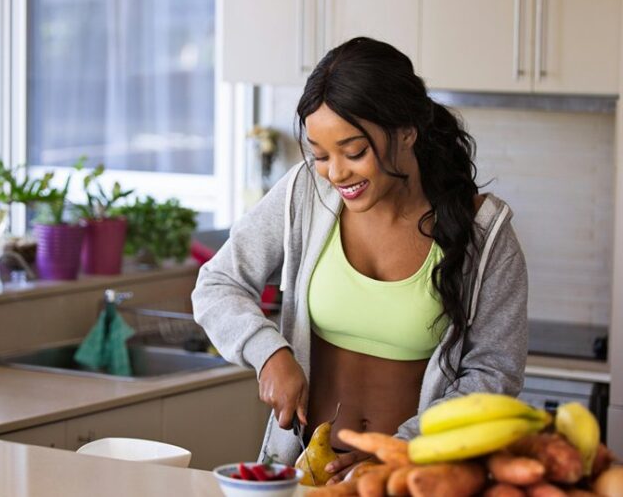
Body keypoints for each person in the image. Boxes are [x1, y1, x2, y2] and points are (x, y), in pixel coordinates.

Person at [192, 37, 528, 483]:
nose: (336, 173)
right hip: (305, 475)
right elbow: (217, 284)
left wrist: (399, 452)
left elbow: (493, 375)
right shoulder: (305, 193)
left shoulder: (484, 232)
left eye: (353, 152)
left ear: (407, 131)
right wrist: (270, 352)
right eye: (320, 155)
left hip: (413, 479)